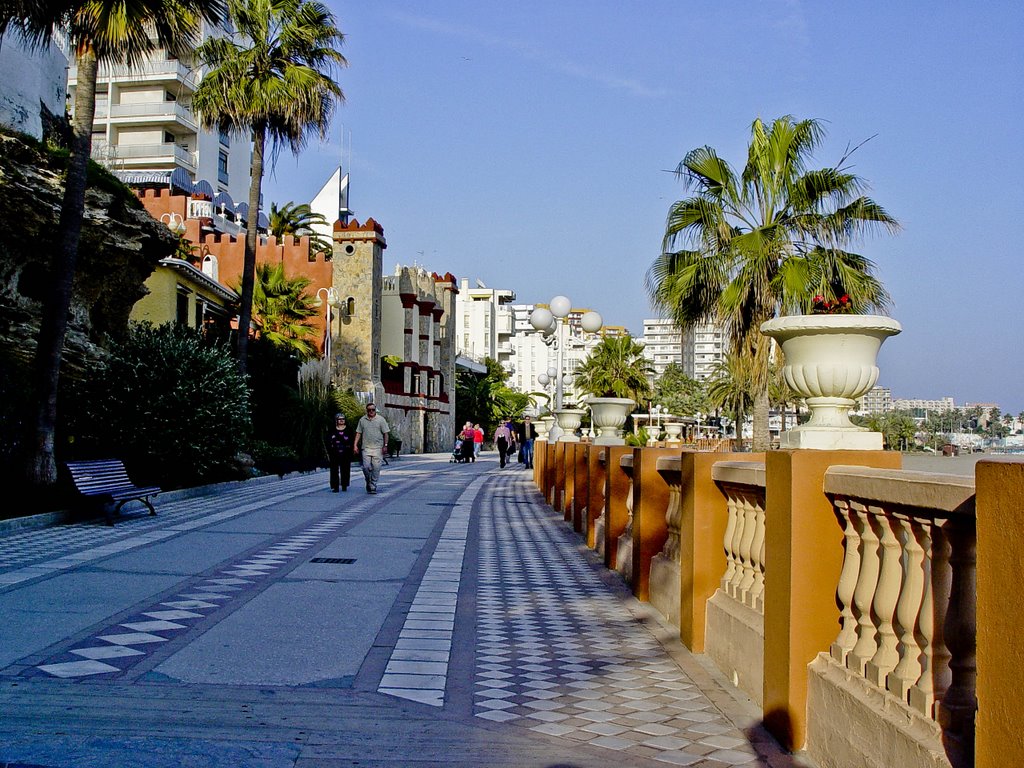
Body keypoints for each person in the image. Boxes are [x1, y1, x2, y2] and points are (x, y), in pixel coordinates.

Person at [354, 402, 390, 494]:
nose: (371, 411)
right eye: (369, 410)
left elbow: (386, 433)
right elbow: (358, 432)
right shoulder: (362, 420)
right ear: (367, 410)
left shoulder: (381, 420)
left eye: (373, 410)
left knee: (376, 468)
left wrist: (385, 445)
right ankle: (368, 481)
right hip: (366, 448)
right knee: (365, 467)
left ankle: (373, 485)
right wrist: (355, 445)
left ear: (375, 410)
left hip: (378, 448)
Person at [325, 412, 353, 492]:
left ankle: (344, 485)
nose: (341, 421)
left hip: (346, 452)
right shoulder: (332, 429)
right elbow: (327, 440)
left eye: (343, 419)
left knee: (345, 469)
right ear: (336, 420)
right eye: (339, 419)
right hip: (334, 452)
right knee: (334, 470)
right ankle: (335, 486)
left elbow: (352, 440)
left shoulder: (349, 429)